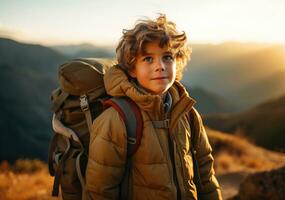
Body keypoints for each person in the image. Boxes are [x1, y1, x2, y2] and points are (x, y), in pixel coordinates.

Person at [84, 14, 222, 200]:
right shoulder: (117, 119)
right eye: (148, 59)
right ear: (132, 68)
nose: (160, 66)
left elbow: (205, 172)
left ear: (177, 61)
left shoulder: (187, 112)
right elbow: (99, 192)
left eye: (167, 57)